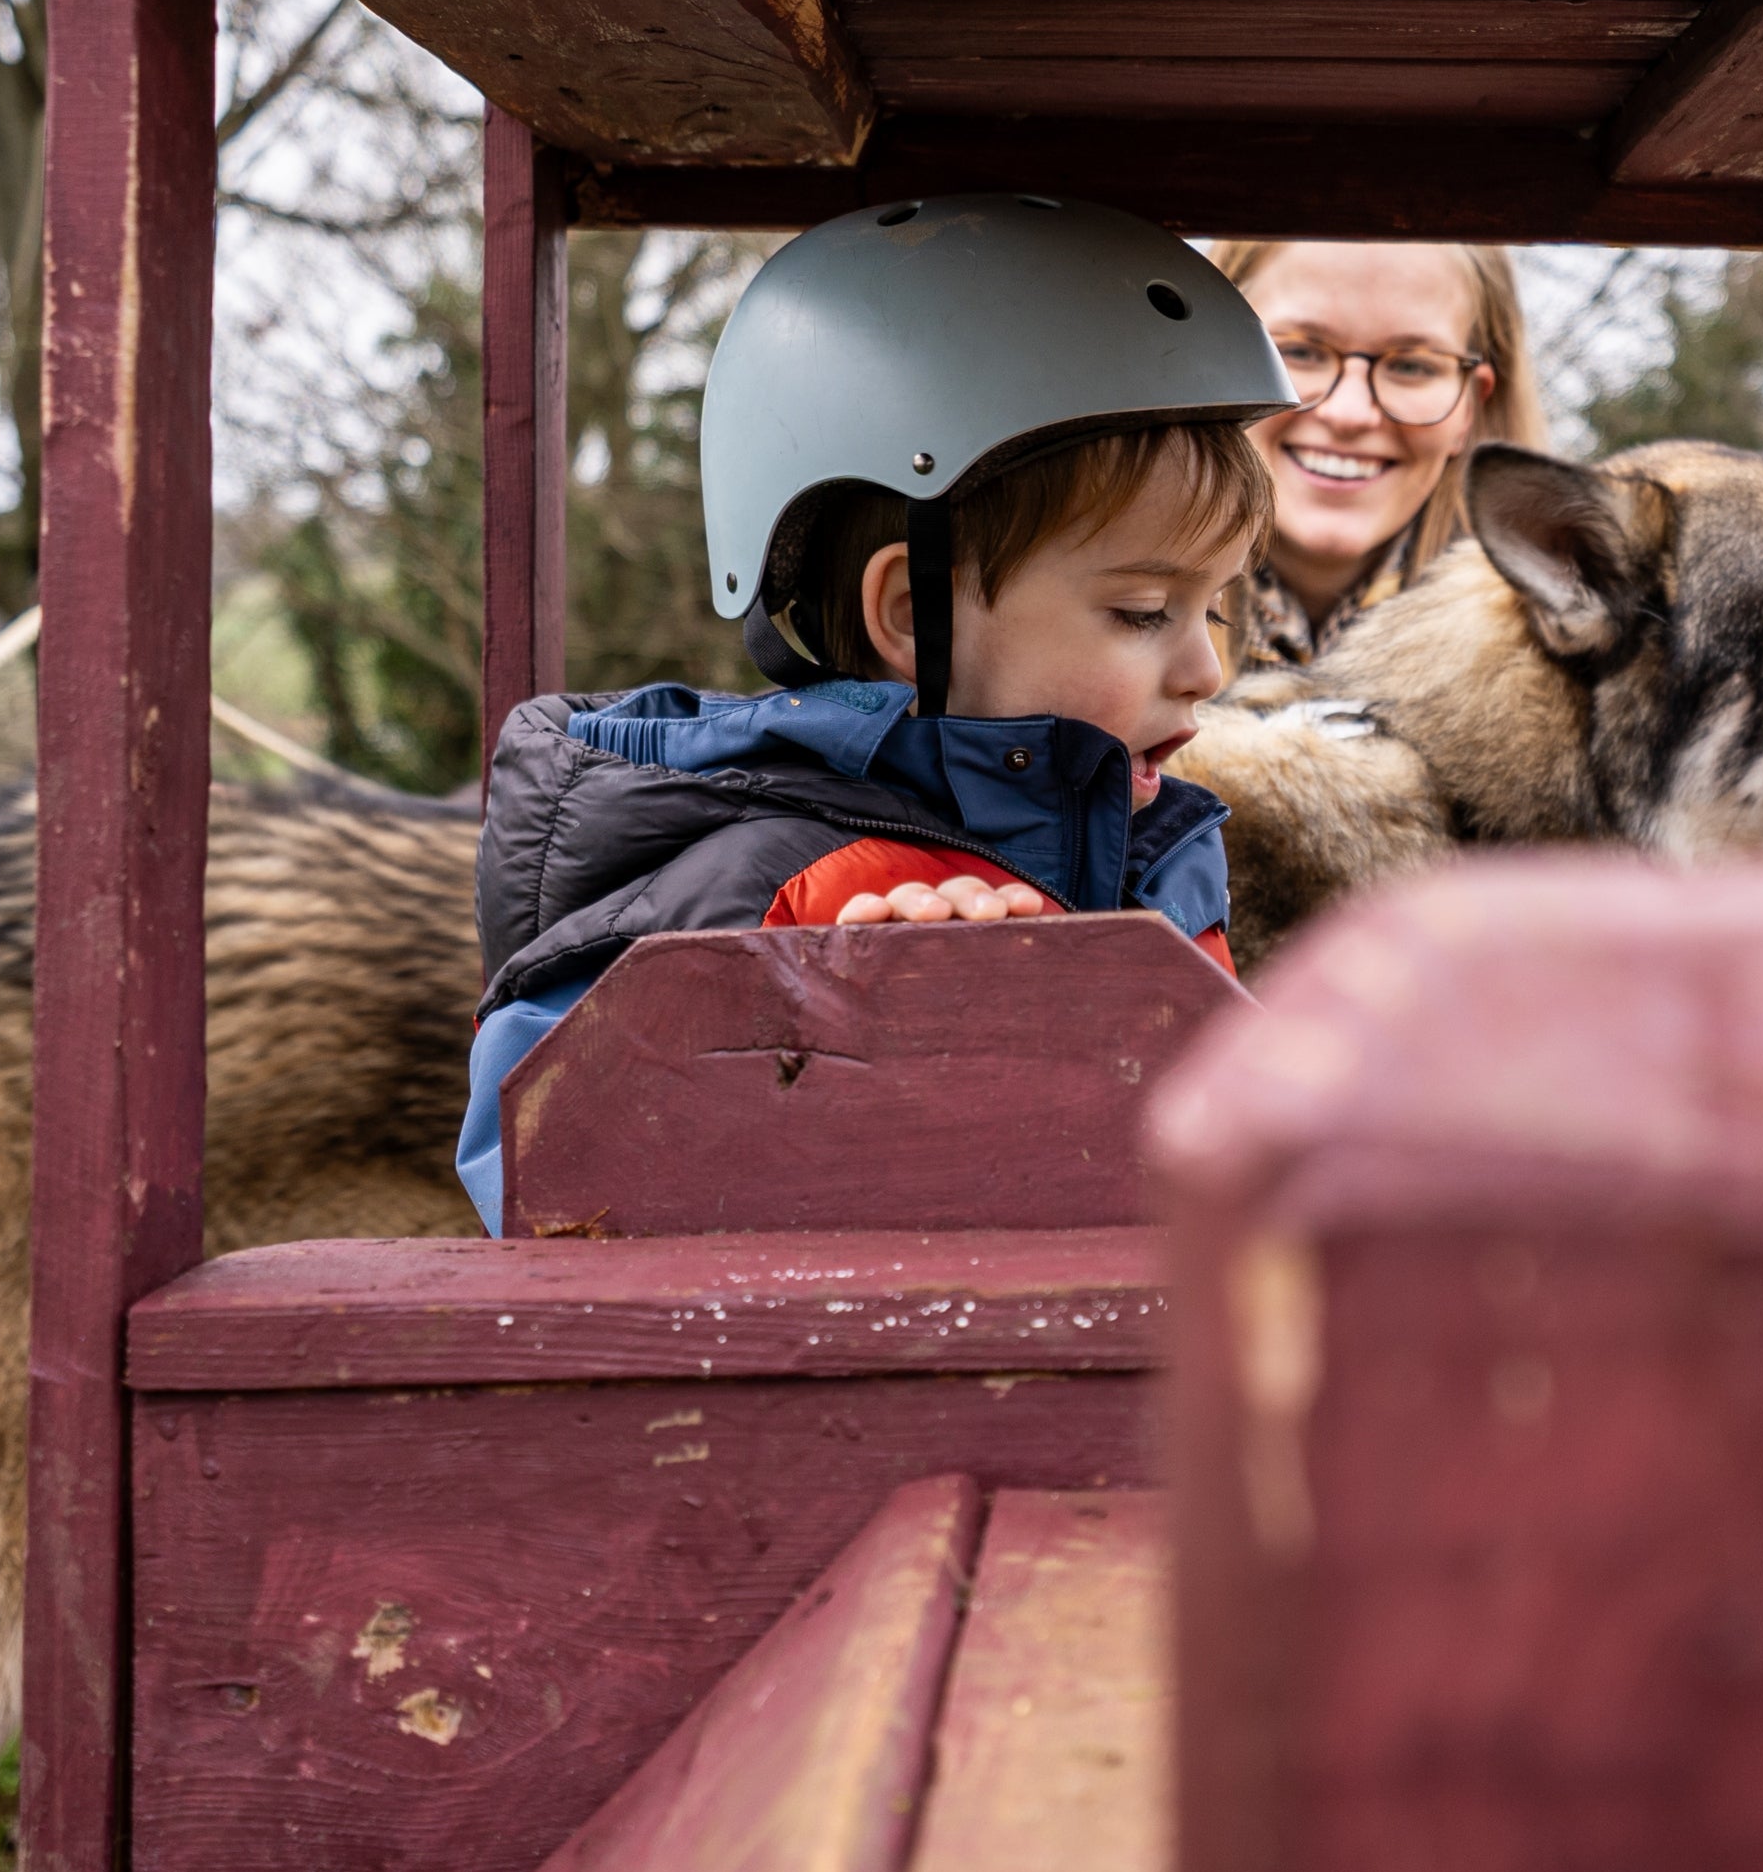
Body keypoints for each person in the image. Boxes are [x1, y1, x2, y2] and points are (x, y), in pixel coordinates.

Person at [455, 193, 1296, 1235]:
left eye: (1211, 606)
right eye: (1140, 611)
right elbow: (543, 1175)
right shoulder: (741, 888)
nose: (1206, 665)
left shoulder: (1157, 859)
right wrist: (859, 1032)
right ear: (909, 614)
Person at [1209, 240, 1548, 664]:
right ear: (1208, 357)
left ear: (1470, 406)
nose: (1350, 414)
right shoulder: (1100, 628)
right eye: (1299, 351)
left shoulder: (1574, 655)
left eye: (1411, 365)